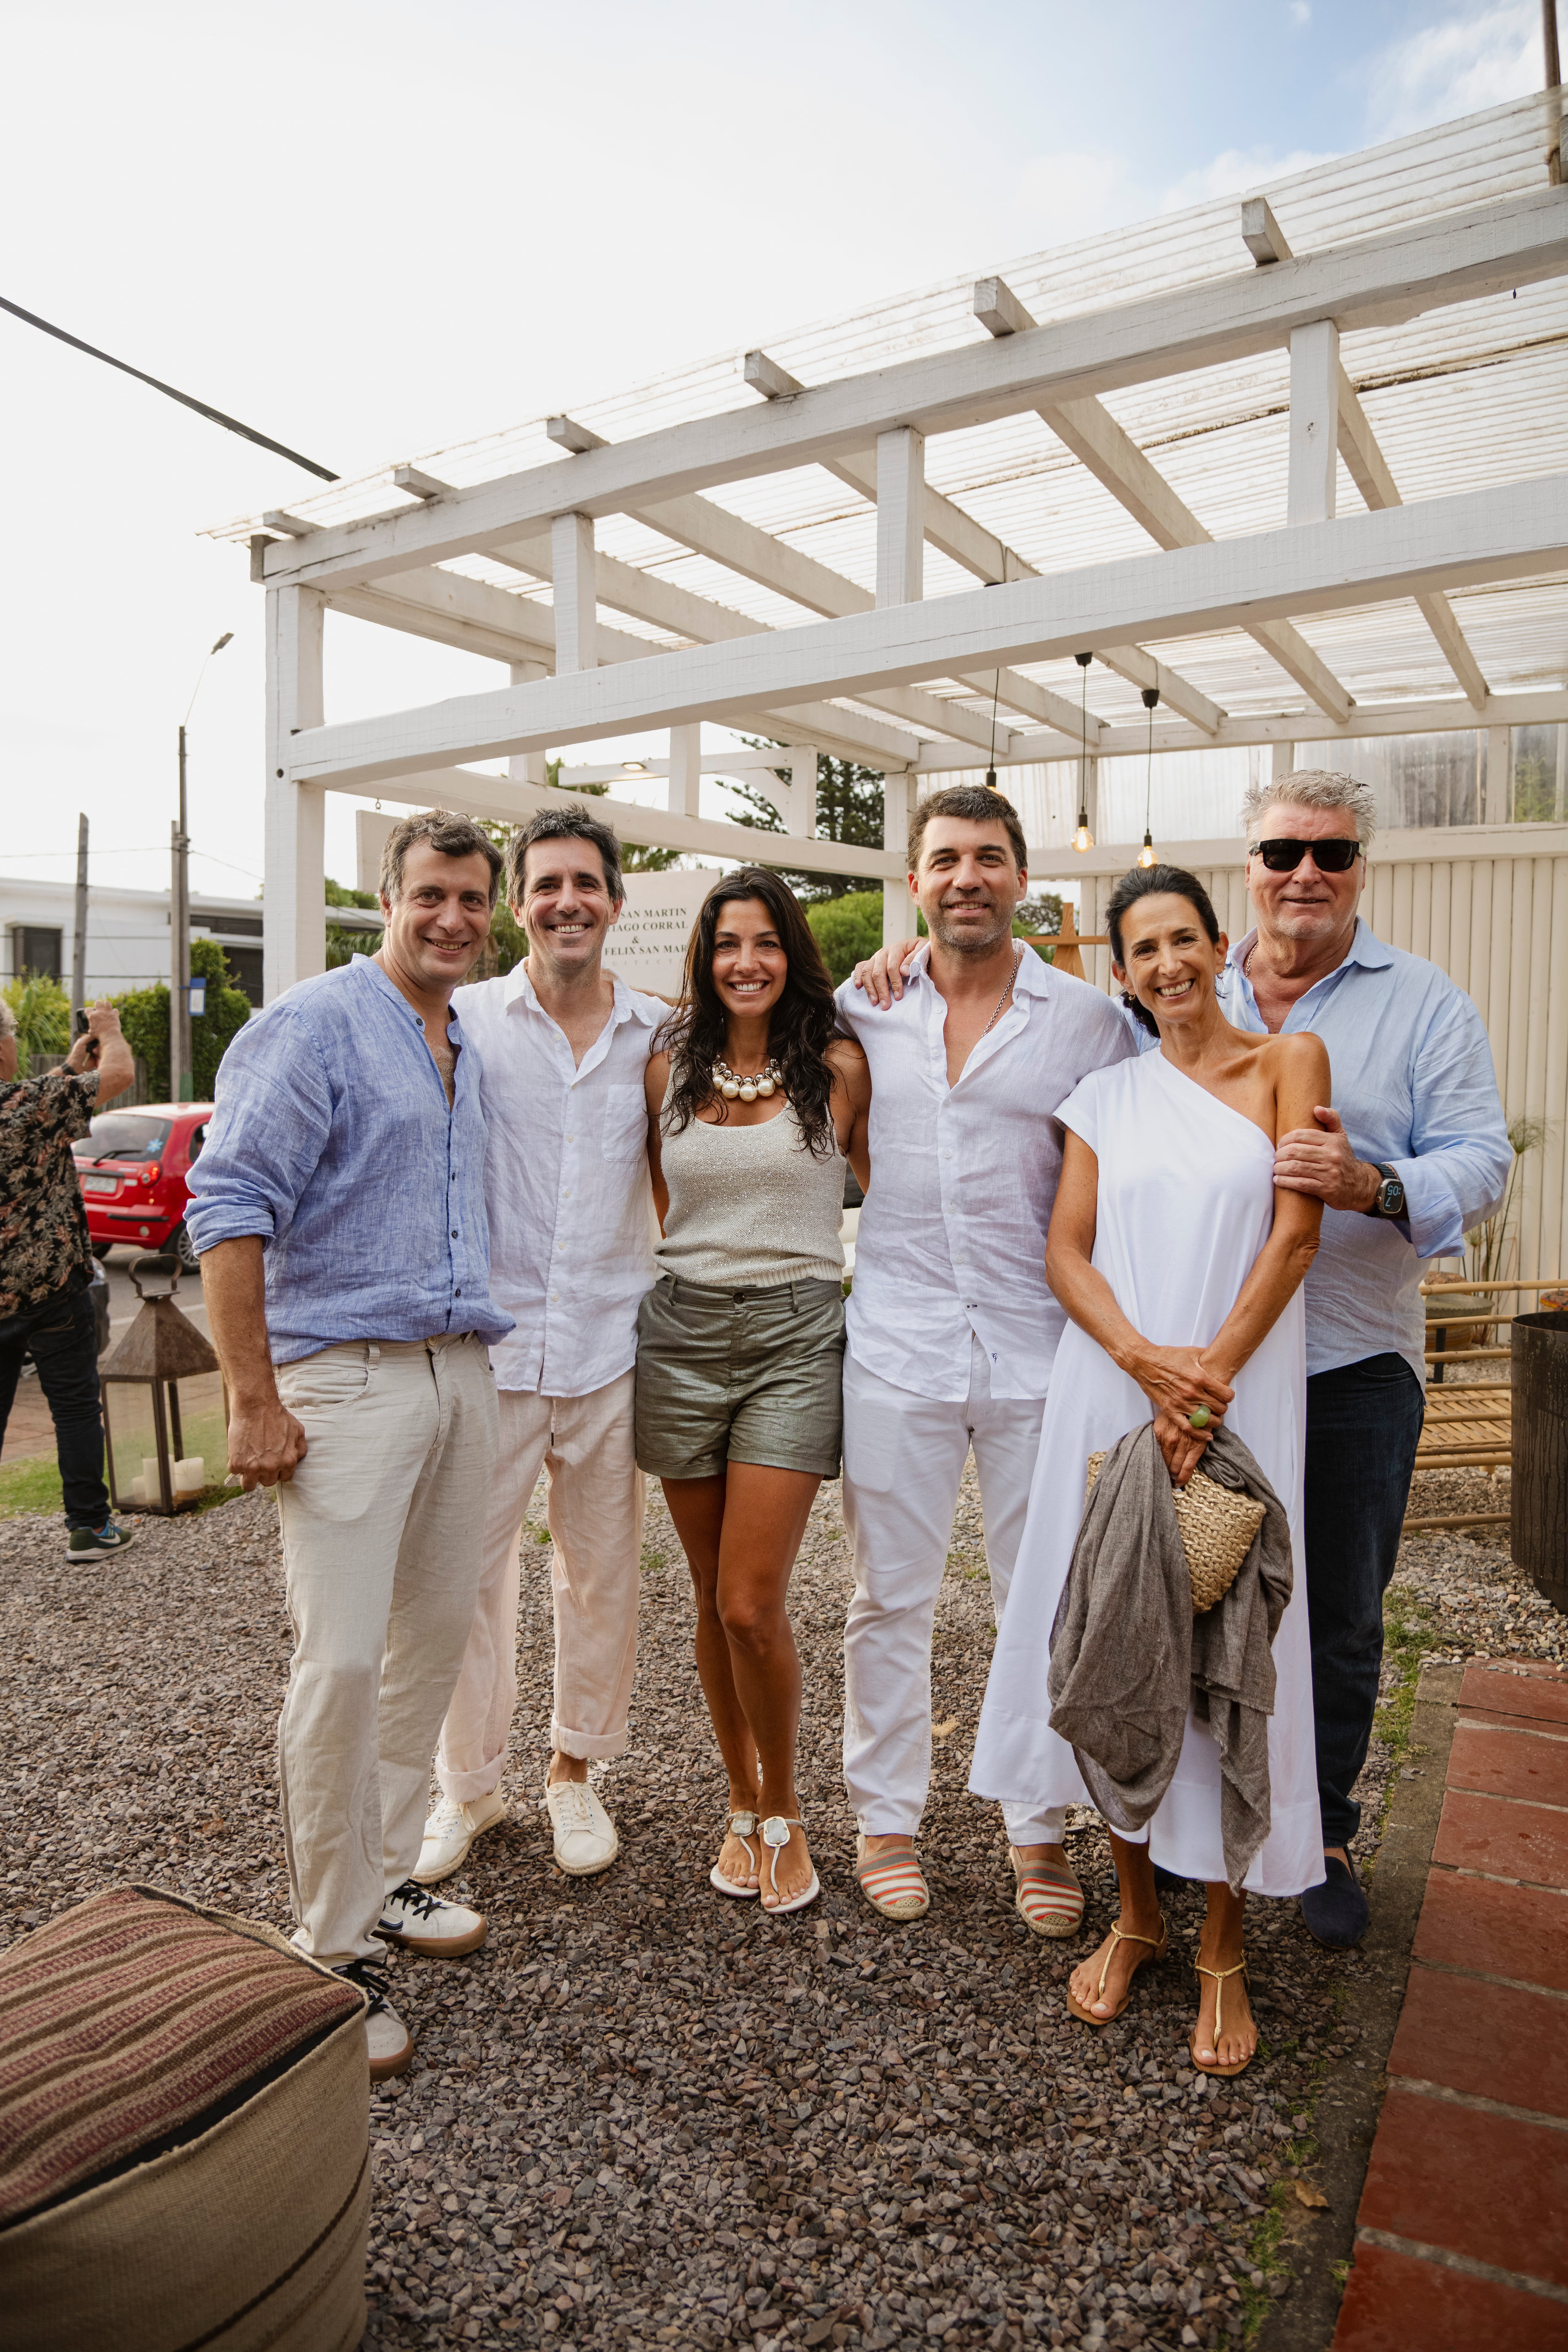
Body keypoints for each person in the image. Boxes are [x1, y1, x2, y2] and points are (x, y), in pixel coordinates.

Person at [970, 863, 1326, 2074]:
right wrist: (1145, 1368)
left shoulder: (1291, 1064)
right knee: (1118, 1633)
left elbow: (1296, 1234)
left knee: (1236, 1646)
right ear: (1118, 973)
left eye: (1185, 940)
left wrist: (1206, 1379)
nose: (1168, 964)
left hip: (1243, 1388)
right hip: (1114, 1395)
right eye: (1143, 950)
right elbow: (1066, 1253)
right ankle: (1137, 1915)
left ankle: (1225, 1940)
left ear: (1221, 948)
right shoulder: (1105, 1096)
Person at [186, 811, 512, 2080]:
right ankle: (327, 1945)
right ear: (386, 899)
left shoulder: (460, 1040)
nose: (453, 917)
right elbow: (228, 1203)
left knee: (430, 1648)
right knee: (338, 1665)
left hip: (455, 1378)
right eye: (431, 893)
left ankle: (379, 1884)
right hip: (346, 1388)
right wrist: (253, 1398)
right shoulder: (312, 1025)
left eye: (471, 899)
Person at [835, 783, 1136, 1931]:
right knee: (888, 1595)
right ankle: (885, 1818)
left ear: (1023, 879)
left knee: (1043, 1595)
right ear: (915, 882)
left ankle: (1038, 1826)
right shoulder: (869, 1008)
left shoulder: (1087, 1021)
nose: (970, 877)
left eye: (991, 859)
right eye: (947, 859)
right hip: (899, 1342)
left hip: (1037, 1348)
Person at [1218, 770, 1511, 1945]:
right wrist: (904, 968)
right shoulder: (1183, 986)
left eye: (1331, 855)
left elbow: (1482, 1159)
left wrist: (1374, 1183)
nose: (1305, 873)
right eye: (1284, 849)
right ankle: (1218, 1827)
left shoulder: (1424, 1003)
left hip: (1350, 1361)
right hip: (1213, 1364)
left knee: (1337, 1614)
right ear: (1249, 864)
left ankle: (1324, 1830)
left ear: (1360, 871)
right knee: (1210, 1602)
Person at [415, 807, 663, 1889]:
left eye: (587, 883)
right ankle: (467, 1785)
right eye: (546, 884)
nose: (568, 901)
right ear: (519, 904)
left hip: (614, 1344)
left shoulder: (660, 1034)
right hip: (492, 1348)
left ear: (614, 900)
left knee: (601, 1574)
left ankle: (575, 1771)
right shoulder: (462, 1019)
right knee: (465, 1577)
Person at [637, 868, 870, 1915]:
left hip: (795, 1336)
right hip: (681, 1334)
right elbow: (663, 1199)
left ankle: (786, 1808)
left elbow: (885, 1186)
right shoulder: (666, 1071)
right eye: (728, 942)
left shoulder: (836, 1065)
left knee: (751, 1600)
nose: (747, 961)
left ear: (792, 953)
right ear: (705, 954)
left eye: (766, 941)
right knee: (706, 1599)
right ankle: (737, 1801)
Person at [0, 997, 136, 1558]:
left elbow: (36, 1104)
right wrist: (109, 1030)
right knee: (75, 1406)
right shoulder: (27, 1105)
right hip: (53, 1287)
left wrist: (71, 1067)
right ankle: (89, 1526)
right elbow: (121, 1074)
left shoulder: (28, 1102)